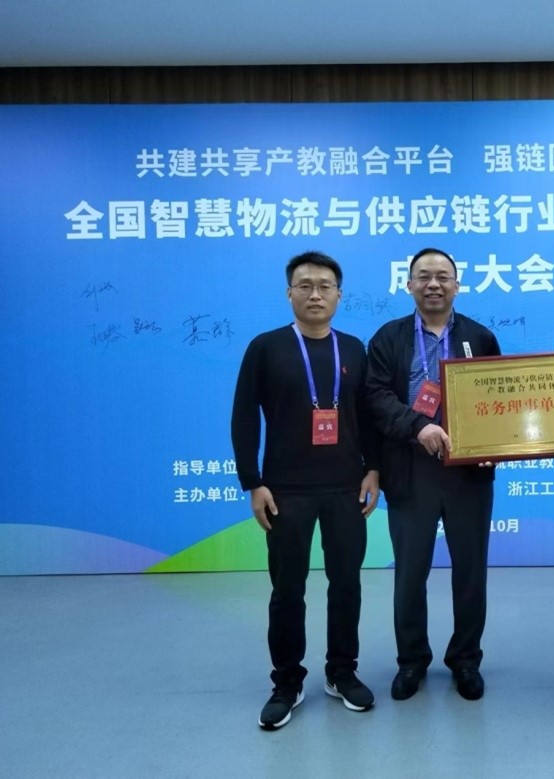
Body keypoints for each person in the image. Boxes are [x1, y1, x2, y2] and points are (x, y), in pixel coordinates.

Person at [231, 251, 381, 730]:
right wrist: (253, 482)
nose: (315, 294)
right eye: (305, 285)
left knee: (347, 585)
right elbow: (243, 417)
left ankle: (342, 671)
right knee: (287, 590)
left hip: (345, 488)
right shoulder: (266, 347)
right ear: (289, 293)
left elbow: (369, 417)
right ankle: (286, 682)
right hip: (285, 490)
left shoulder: (353, 349)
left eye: (324, 286)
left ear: (339, 294)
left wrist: (373, 469)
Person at [366, 247, 501, 702]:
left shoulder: (479, 336)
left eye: (443, 276)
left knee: (471, 572)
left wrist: (493, 446)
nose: (433, 284)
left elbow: (497, 400)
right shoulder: (388, 338)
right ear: (408, 285)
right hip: (410, 470)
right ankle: (411, 661)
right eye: (423, 276)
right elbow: (377, 398)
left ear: (457, 285)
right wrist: (417, 426)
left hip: (468, 474)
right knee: (410, 573)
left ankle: (466, 659)